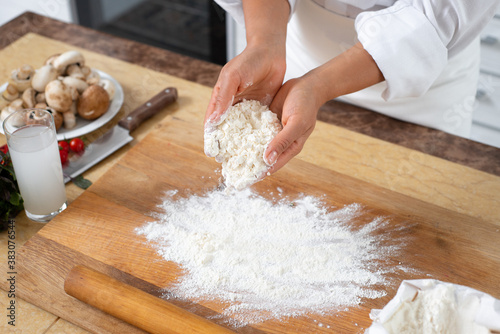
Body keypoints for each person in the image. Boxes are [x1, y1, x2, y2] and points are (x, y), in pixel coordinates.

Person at [204, 0, 500, 175]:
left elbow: (442, 12)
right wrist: (264, 42)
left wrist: (318, 86)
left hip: (424, 80)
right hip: (291, 60)